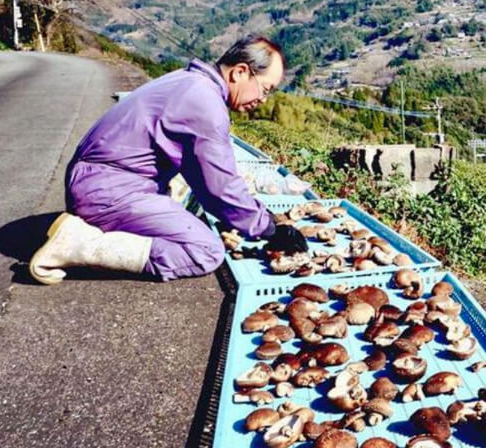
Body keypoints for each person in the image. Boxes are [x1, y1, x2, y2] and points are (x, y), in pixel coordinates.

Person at [30, 34, 306, 284]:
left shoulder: (191, 82)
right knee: (206, 251)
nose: (264, 99)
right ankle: (81, 245)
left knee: (186, 211)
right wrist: (268, 227)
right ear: (240, 72)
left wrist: (255, 218)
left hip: (100, 180)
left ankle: (91, 230)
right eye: (266, 88)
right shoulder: (205, 103)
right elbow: (220, 187)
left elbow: (208, 179)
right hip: (106, 191)